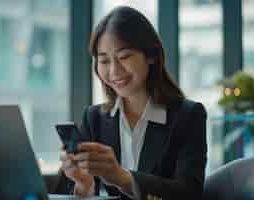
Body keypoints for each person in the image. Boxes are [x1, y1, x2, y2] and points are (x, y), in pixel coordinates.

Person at [50, 6, 207, 200]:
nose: (114, 71)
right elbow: (62, 194)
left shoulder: (188, 115)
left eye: (124, 57)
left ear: (151, 56)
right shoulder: (94, 118)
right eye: (104, 61)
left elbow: (189, 194)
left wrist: (123, 178)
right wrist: (84, 184)